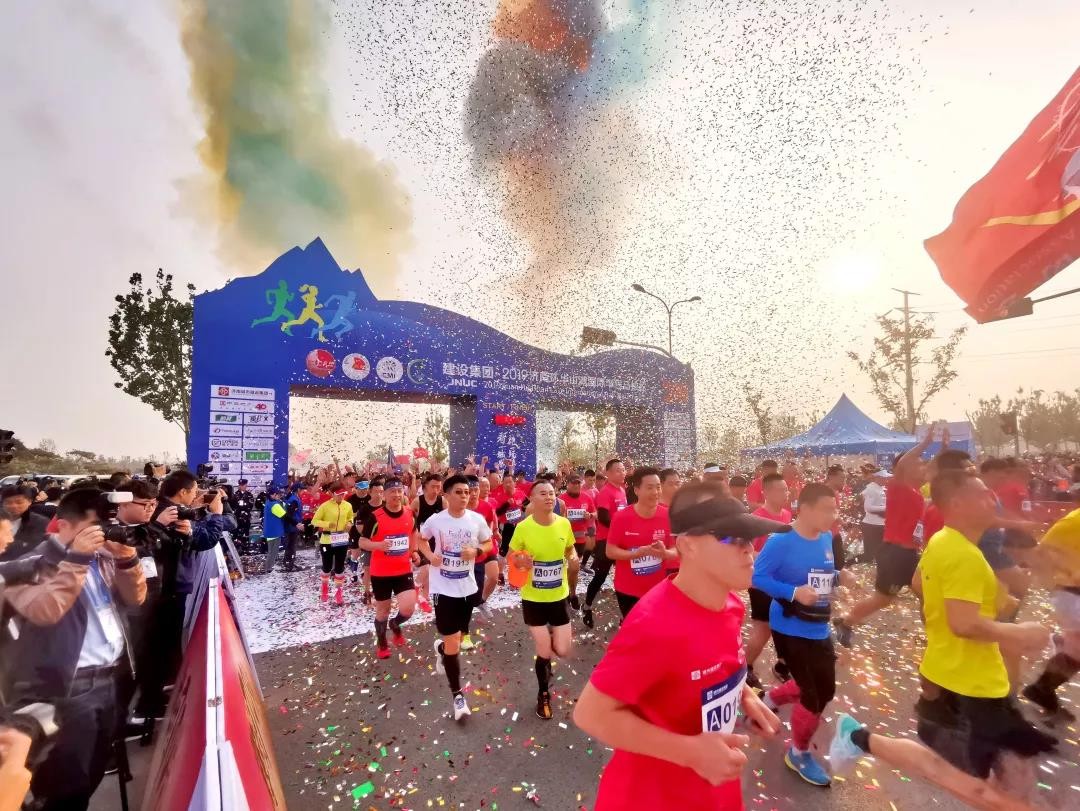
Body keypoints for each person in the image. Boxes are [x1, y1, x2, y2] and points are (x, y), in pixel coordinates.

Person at [573, 482, 786, 810]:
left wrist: (743, 696)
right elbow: (590, 713)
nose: (749, 550)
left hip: (714, 788)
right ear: (688, 546)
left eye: (749, 538)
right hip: (651, 797)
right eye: (731, 538)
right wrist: (691, 753)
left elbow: (721, 662)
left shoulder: (730, 603)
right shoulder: (655, 625)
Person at [913, 470, 1055, 801]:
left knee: (994, 783)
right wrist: (1022, 633)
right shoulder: (965, 555)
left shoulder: (943, 540)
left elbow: (919, 583)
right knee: (995, 790)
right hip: (972, 688)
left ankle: (869, 740)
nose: (993, 499)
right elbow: (964, 624)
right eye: (983, 494)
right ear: (957, 503)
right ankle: (864, 741)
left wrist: (989, 599)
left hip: (950, 675)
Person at [2, 488, 147, 811]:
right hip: (66, 691)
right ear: (64, 525)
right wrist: (77, 559)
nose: (100, 537)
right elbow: (47, 610)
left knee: (93, 771)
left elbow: (135, 599)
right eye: (92, 529)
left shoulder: (103, 558)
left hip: (110, 680)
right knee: (64, 785)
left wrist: (127, 559)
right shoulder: (30, 564)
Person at [752, 482, 858, 786]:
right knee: (814, 695)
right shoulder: (781, 540)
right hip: (789, 627)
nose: (833, 515)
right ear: (805, 509)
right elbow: (757, 576)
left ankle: (769, 698)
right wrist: (793, 592)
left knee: (825, 690)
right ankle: (798, 753)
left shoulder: (825, 537)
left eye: (835, 509)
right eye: (827, 509)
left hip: (818, 625)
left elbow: (820, 575)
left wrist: (840, 576)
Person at [835, 427, 937, 647]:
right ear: (905, 469)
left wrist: (945, 448)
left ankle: (935, 638)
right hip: (895, 554)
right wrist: (926, 442)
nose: (923, 468)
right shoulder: (898, 486)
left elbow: (936, 471)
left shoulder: (916, 491)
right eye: (919, 464)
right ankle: (846, 622)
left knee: (927, 593)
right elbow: (902, 464)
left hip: (910, 554)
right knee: (882, 599)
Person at [829, 713, 1036, 811]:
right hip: (964, 697)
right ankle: (856, 737)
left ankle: (857, 737)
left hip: (989, 699)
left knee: (992, 798)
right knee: (987, 795)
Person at [418, 474, 492, 721]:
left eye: (467, 492)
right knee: (453, 644)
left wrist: (477, 550)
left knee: (455, 641)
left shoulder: (476, 519)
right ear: (446, 495)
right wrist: (430, 556)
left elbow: (489, 543)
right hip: (443, 589)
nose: (464, 496)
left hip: (467, 588)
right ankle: (458, 696)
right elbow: (420, 539)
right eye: (458, 492)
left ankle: (440, 649)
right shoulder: (436, 520)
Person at [507, 480, 578, 719]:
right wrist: (520, 560)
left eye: (552, 493)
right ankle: (543, 694)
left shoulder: (564, 524)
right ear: (532, 499)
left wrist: (574, 557)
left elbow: (570, 549)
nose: (549, 497)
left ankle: (550, 641)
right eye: (543, 493)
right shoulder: (523, 528)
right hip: (533, 598)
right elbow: (511, 556)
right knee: (544, 651)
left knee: (563, 649)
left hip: (559, 596)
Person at [1023, 504, 1080, 720]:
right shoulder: (1074, 521)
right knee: (1077, 650)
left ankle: (1043, 688)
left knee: (1076, 650)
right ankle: (1042, 688)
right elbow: (1041, 552)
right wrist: (1065, 574)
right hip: (1070, 592)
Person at [604, 467, 676, 620]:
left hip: (657, 590)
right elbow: (610, 551)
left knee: (654, 630)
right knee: (633, 629)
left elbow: (676, 549)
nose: (655, 492)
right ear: (637, 490)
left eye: (658, 487)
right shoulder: (621, 518)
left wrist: (665, 553)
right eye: (649, 488)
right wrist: (636, 553)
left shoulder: (667, 516)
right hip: (627, 590)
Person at [358, 477, 417, 659]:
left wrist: (414, 551)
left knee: (408, 609)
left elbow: (413, 532)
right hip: (381, 573)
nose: (397, 495)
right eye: (392, 492)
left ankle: (395, 624)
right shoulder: (375, 517)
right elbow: (362, 541)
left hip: (403, 570)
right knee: (383, 611)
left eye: (399, 491)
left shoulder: (410, 513)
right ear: (384, 494)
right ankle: (382, 643)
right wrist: (378, 545)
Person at [745, 473, 792, 687]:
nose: (786, 493)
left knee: (787, 625)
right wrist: (773, 559)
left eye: (786, 489)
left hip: (783, 583)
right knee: (763, 630)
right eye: (781, 490)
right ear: (767, 492)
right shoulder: (756, 518)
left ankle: (783, 665)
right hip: (761, 583)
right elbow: (748, 551)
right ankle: (745, 667)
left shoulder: (787, 515)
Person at [582, 458, 628, 629]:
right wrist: (620, 530)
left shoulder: (622, 490)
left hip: (621, 541)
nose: (622, 473)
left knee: (625, 576)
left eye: (623, 469)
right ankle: (587, 606)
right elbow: (603, 518)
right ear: (608, 473)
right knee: (600, 577)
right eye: (618, 470)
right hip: (606, 542)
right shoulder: (605, 492)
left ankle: (626, 616)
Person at [560, 473, 596, 610]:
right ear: (567, 484)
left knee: (573, 570)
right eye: (573, 483)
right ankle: (570, 595)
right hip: (565, 541)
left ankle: (571, 593)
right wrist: (563, 519)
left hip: (580, 539)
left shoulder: (586, 497)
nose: (576, 486)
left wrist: (590, 515)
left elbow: (595, 513)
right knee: (572, 567)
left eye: (578, 483)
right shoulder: (561, 500)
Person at [312, 488, 355, 605]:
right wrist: (327, 524)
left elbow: (350, 517)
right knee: (326, 566)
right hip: (327, 540)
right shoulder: (325, 506)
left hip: (342, 539)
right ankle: (324, 589)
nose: (341, 496)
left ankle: (338, 592)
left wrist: (349, 523)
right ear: (333, 494)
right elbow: (314, 521)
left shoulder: (348, 505)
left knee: (340, 567)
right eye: (339, 494)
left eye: (343, 494)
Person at [412, 474, 444, 613]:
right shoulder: (417, 501)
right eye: (433, 487)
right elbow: (409, 521)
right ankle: (416, 586)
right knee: (426, 568)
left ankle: (424, 599)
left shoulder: (442, 501)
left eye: (438, 487)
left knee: (431, 571)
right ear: (425, 487)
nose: (436, 490)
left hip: (437, 540)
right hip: (421, 539)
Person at [0, 486, 49, 562]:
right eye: (8, 502)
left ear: (29, 501)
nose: (14, 506)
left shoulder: (40, 522)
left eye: (19, 502)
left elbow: (33, 547)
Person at [858, 465, 888, 564]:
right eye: (884, 477)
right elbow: (868, 507)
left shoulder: (879, 488)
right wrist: (886, 508)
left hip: (879, 524)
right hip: (872, 525)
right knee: (870, 555)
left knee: (879, 554)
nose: (886, 479)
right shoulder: (871, 489)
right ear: (878, 477)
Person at [261, 484, 289, 573]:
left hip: (270, 530)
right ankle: (268, 568)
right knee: (273, 552)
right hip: (274, 531)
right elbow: (284, 515)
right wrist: (283, 505)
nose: (279, 496)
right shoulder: (274, 505)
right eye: (277, 494)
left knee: (271, 551)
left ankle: (268, 567)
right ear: (273, 495)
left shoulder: (268, 502)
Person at [228, 479, 256, 543]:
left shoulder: (249, 495)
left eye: (243, 485)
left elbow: (250, 506)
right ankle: (236, 545)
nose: (242, 486)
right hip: (237, 517)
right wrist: (240, 508)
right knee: (236, 533)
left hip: (246, 518)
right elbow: (232, 506)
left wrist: (243, 506)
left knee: (246, 533)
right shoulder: (234, 495)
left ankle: (245, 544)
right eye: (240, 485)